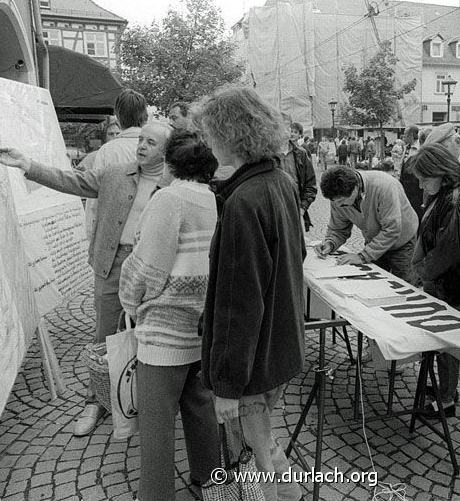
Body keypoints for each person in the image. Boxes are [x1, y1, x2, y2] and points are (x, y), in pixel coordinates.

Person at [0, 121, 173, 436]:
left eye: (151, 142)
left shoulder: (175, 185)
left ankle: (147, 401)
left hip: (155, 269)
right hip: (114, 265)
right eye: (141, 139)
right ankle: (96, 400)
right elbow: (72, 180)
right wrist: (27, 164)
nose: (141, 146)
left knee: (151, 336)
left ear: (167, 150)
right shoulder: (116, 173)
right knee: (104, 337)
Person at [196, 86, 305, 501]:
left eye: (210, 132)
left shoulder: (246, 199)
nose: (208, 142)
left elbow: (240, 302)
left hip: (257, 358)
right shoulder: (279, 181)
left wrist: (225, 384)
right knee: (267, 446)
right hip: (279, 345)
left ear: (229, 133)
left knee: (264, 461)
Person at [118, 130, 220, 499]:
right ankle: (209, 479)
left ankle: (156, 495)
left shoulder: (169, 199)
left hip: (164, 328)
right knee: (199, 406)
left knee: (157, 422)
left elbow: (148, 268)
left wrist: (129, 302)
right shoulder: (212, 198)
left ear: (172, 164)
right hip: (200, 323)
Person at [410, 144, 460, 417]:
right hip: (448, 282)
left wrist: (423, 274)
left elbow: (448, 250)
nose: (420, 184)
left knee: (447, 343)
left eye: (424, 178)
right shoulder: (447, 196)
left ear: (441, 174)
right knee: (444, 342)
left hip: (450, 285)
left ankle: (447, 399)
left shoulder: (452, 200)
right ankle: (446, 389)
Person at [315, 165, 418, 283]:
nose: (338, 205)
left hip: (402, 243)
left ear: (355, 188)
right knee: (375, 284)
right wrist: (330, 243)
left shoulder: (384, 187)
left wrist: (362, 256)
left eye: (341, 201)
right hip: (374, 241)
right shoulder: (338, 198)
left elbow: (392, 229)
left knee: (403, 285)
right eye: (335, 202)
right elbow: (338, 229)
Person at [85, 89, 149, 239]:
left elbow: (94, 195)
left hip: (114, 236)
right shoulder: (157, 147)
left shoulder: (107, 151)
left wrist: (90, 233)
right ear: (144, 116)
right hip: (146, 233)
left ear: (118, 117)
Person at [283, 122, 318, 231]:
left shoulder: (301, 153)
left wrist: (303, 207)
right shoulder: (272, 153)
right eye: (290, 131)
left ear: (300, 135)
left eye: (295, 132)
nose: (292, 134)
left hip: (295, 202)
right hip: (277, 203)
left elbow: (310, 183)